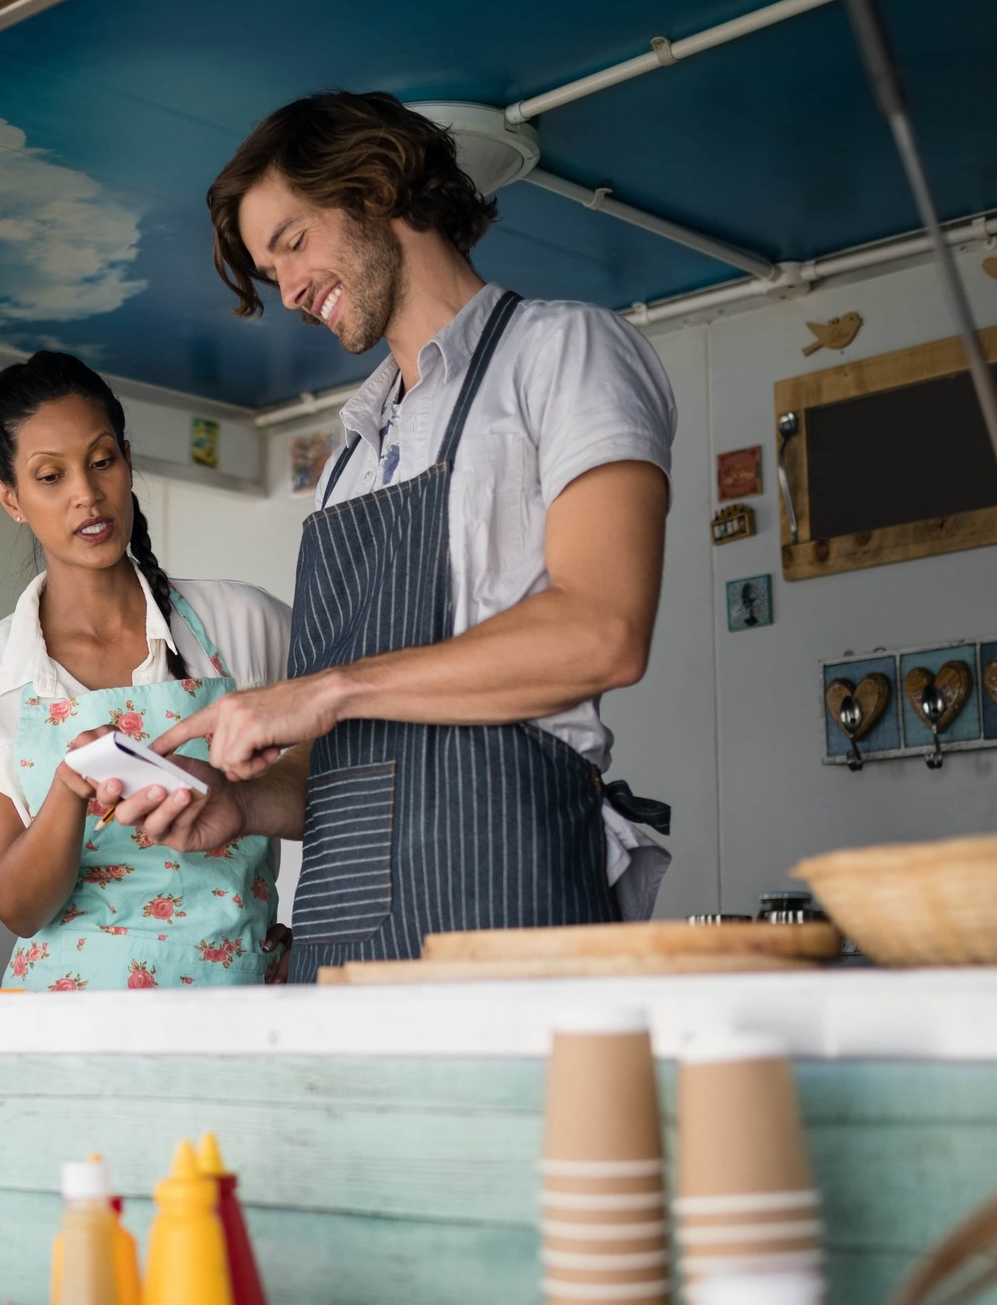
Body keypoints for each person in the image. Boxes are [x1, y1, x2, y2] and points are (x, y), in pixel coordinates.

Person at [117, 91, 678, 982]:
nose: (291, 289)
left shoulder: (563, 352)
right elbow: (361, 770)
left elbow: (604, 631)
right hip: (339, 932)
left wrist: (323, 690)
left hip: (505, 901)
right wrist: (244, 802)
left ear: (376, 186)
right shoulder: (346, 459)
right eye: (272, 271)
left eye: (293, 241)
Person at [0, 352, 292, 989]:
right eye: (49, 476)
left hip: (239, 1009)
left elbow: (349, 794)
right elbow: (19, 907)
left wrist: (242, 801)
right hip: (63, 1029)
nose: (87, 495)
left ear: (126, 460)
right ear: (10, 498)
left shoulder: (244, 621)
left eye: (102, 462)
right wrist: (69, 793)